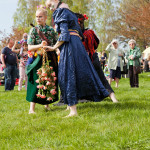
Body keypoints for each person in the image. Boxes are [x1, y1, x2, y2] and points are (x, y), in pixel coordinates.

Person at [45, 0, 109, 117]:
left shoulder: (60, 11)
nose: (50, 9)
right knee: (76, 73)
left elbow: (64, 34)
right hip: (77, 45)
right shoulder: (71, 13)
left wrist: (54, 47)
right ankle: (70, 105)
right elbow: (80, 34)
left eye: (50, 6)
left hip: (69, 46)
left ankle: (73, 111)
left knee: (68, 74)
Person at [76, 13, 118, 102]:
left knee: (94, 80)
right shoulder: (90, 32)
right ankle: (113, 99)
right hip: (93, 57)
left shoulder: (77, 35)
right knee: (102, 80)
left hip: (87, 60)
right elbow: (96, 44)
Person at [26, 6, 58, 114]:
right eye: (36, 17)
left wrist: (56, 50)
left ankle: (47, 105)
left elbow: (56, 44)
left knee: (49, 80)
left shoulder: (51, 30)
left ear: (45, 17)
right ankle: (32, 109)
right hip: (38, 58)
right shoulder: (33, 30)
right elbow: (29, 47)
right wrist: (40, 45)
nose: (38, 19)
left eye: (40, 17)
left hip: (51, 58)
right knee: (36, 83)